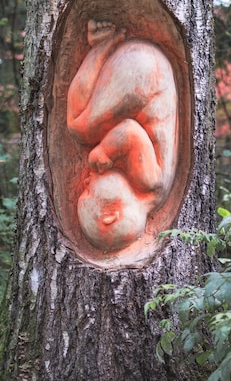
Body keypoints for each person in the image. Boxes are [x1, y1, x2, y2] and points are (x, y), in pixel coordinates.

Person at [67, 20, 178, 251]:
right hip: (143, 74)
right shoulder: (150, 183)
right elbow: (129, 131)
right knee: (79, 125)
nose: (86, 181)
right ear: (111, 215)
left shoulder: (148, 189)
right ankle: (105, 43)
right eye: (88, 192)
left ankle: (104, 45)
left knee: (80, 124)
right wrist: (105, 150)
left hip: (142, 75)